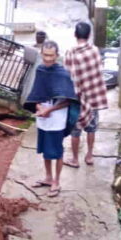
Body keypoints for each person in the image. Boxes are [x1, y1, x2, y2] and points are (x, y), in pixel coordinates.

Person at [23, 41, 79, 197]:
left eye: (51, 55)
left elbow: (69, 100)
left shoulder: (63, 74)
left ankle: (56, 182)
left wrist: (50, 109)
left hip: (56, 119)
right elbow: (36, 93)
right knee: (45, 150)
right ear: (41, 54)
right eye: (45, 55)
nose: (47, 59)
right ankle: (48, 177)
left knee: (57, 151)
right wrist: (40, 108)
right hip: (43, 118)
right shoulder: (40, 70)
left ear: (57, 56)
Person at [63, 22, 108, 168]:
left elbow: (67, 75)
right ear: (89, 35)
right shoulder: (94, 51)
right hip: (93, 96)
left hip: (77, 99)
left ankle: (75, 159)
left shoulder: (70, 53)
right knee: (91, 127)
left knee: (75, 131)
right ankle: (89, 155)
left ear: (75, 35)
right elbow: (98, 73)